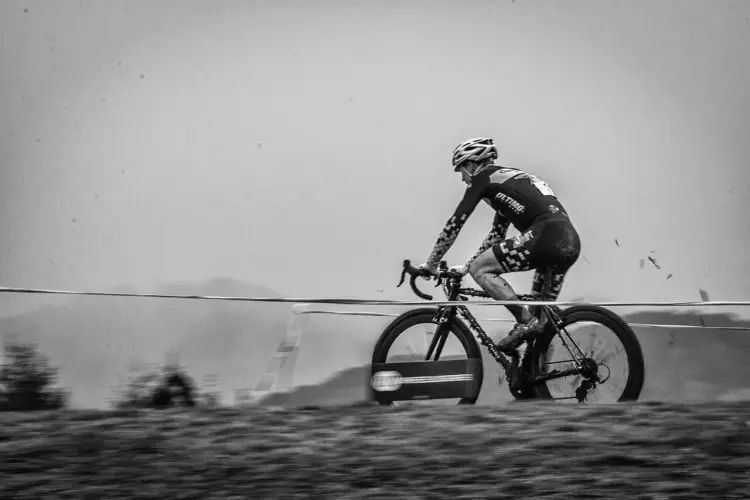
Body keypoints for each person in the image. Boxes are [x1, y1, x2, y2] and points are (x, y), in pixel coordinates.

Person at [418, 137, 581, 355]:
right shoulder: (506, 181)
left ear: (471, 165)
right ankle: (536, 378)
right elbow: (496, 235)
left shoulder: (482, 179)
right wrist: (465, 267)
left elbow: (455, 223)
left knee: (482, 270)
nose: (463, 179)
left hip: (546, 236)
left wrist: (432, 263)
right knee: (540, 327)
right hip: (568, 241)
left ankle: (523, 320)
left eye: (461, 171)